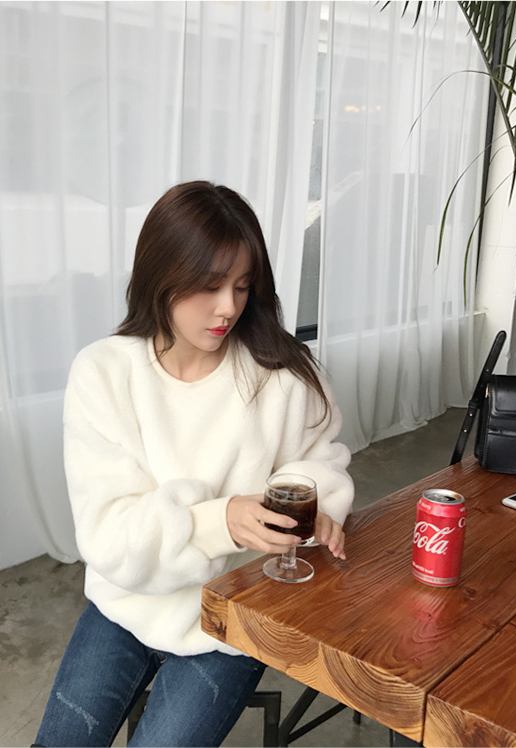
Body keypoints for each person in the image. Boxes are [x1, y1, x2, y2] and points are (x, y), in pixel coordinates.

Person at [34, 181, 354, 747]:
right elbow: (108, 535)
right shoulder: (104, 373)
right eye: (209, 286)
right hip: (125, 604)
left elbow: (319, 467)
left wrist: (315, 512)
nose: (229, 307)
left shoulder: (282, 376)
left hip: (229, 617)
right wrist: (219, 521)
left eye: (242, 285)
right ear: (162, 276)